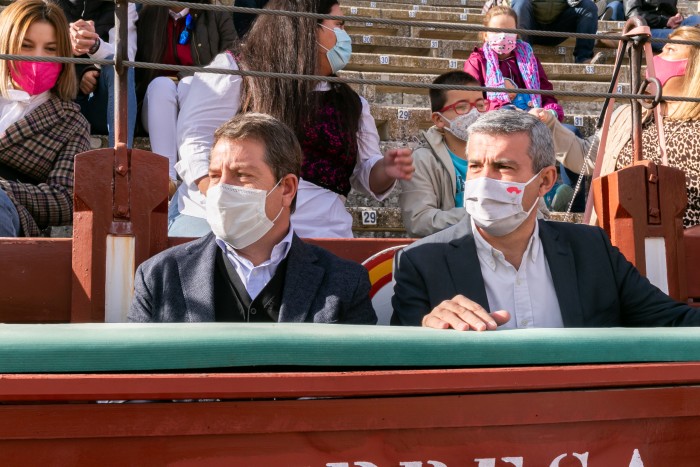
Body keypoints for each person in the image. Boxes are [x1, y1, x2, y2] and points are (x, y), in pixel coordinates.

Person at [390, 111, 700, 330]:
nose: (484, 181)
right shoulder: (420, 262)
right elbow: (401, 368)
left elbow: (672, 321)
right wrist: (427, 330)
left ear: (546, 180)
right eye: (474, 166)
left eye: (503, 166)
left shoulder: (592, 250)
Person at [172, 0, 413, 238]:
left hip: (323, 236)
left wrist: (386, 169)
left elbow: (367, 173)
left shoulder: (352, 103)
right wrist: (222, 203)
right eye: (338, 25)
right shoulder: (237, 72)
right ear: (307, 29)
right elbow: (195, 143)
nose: (345, 36)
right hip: (230, 227)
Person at [129, 113, 377, 324]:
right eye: (215, 175)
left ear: (287, 188)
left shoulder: (344, 283)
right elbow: (136, 375)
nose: (222, 188)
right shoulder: (159, 276)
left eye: (242, 175)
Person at [532, 26, 700, 227]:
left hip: (685, 248)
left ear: (694, 68)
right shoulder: (628, 115)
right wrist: (550, 125)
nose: (658, 57)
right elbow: (587, 156)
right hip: (621, 241)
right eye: (662, 49)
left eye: (671, 50)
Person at [0, 0, 91, 237]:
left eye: (50, 49)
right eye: (26, 45)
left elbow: (66, 201)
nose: (38, 57)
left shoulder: (71, 123)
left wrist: (4, 189)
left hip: (14, 216)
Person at [136, 0, 236, 196]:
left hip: (198, 104)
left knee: (188, 85)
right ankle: (166, 179)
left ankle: (196, 171)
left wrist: (182, 77)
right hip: (157, 107)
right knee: (161, 86)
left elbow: (233, 62)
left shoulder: (216, 15)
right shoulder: (147, 13)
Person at [399, 71, 487, 238]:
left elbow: (537, 211)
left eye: (480, 105)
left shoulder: (505, 153)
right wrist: (481, 217)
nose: (475, 114)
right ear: (438, 119)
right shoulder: (422, 160)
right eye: (462, 107)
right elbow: (419, 221)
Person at [56, 0, 138, 147]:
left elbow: (127, 56)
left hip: (99, 103)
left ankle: (120, 159)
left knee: (121, 67)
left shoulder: (122, 4)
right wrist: (64, 38)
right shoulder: (48, 3)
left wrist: (94, 45)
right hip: (58, 98)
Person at [464, 6, 565, 120]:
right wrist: (509, 110)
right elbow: (471, 99)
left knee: (573, 131)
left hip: (533, 120)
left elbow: (546, 95)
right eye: (497, 31)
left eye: (509, 31)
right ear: (485, 35)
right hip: (495, 122)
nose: (503, 36)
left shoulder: (530, 61)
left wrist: (550, 112)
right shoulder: (477, 61)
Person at [510, 0, 598, 64]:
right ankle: (523, 57)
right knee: (520, 3)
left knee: (589, 6)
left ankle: (583, 58)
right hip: (530, 28)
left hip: (558, 28)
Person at [623, 0, 700, 52]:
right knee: (685, 37)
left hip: (669, 26)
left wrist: (677, 18)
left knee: (697, 19)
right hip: (648, 29)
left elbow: (671, 12)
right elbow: (633, 14)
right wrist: (665, 21)